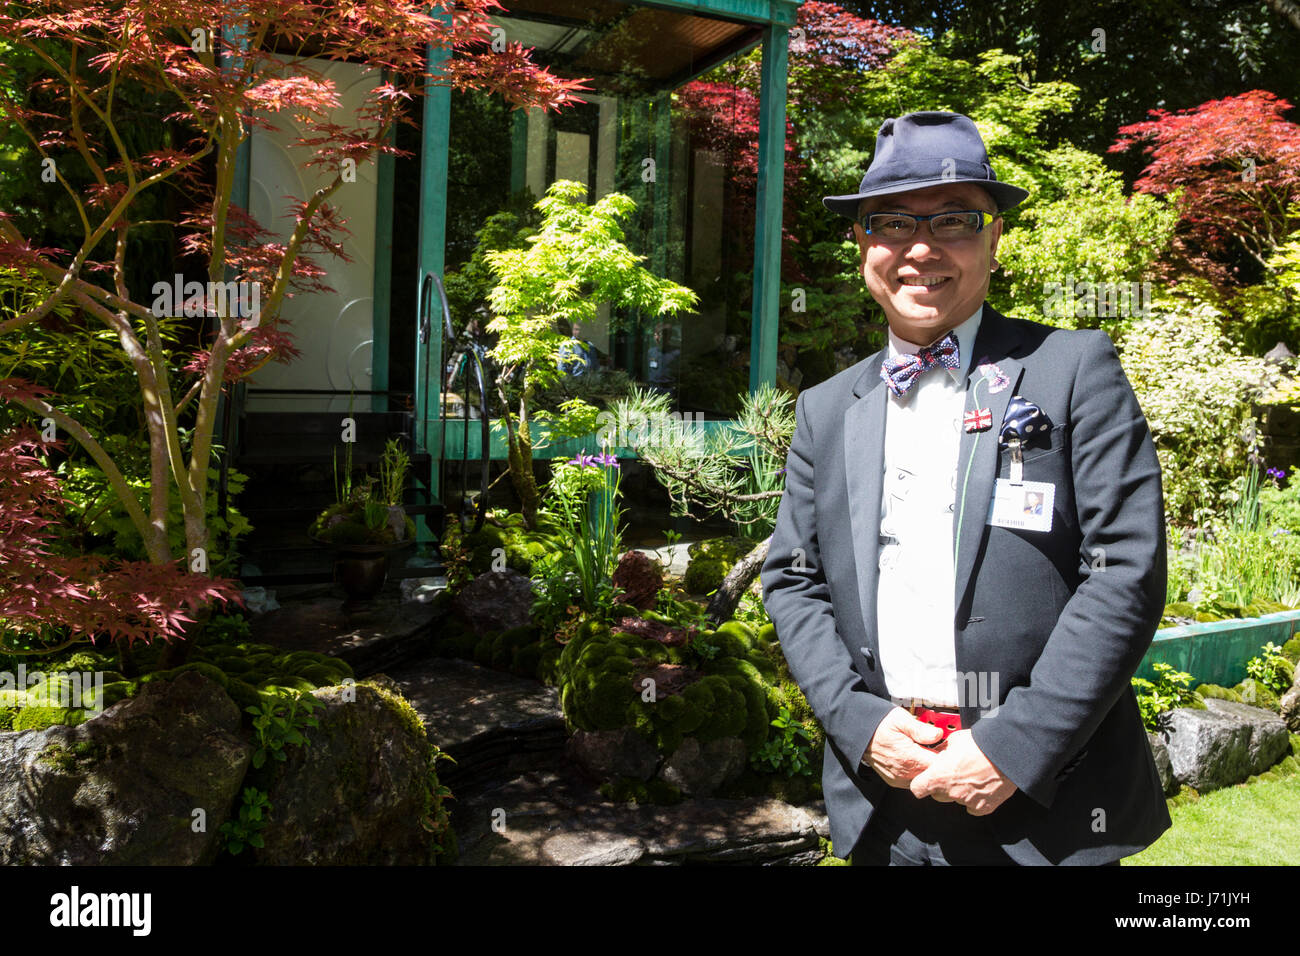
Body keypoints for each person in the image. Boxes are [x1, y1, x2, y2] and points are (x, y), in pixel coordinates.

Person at [760, 111, 1170, 866]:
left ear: (993, 238)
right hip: (885, 801)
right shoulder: (824, 409)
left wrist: (1017, 745)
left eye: (954, 220)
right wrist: (858, 723)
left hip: (1047, 801)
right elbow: (792, 577)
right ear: (861, 244)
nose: (921, 248)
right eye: (891, 222)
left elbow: (1126, 572)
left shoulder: (1073, 369)